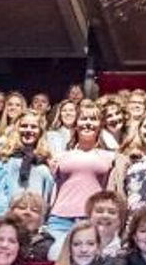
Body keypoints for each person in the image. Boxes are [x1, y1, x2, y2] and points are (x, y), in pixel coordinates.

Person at [0, 110, 55, 238]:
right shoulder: (1, 156)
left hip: (30, 226)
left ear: (40, 131)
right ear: (16, 128)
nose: (28, 130)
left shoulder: (45, 160)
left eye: (33, 127)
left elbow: (48, 197)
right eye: (24, 126)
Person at [49, 102, 115, 245]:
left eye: (93, 119)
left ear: (100, 125)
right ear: (76, 124)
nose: (88, 123)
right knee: (56, 259)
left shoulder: (111, 157)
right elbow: (54, 188)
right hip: (60, 219)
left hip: (93, 218)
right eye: (83, 119)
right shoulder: (61, 156)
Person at [8, 191, 56, 263]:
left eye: (34, 210)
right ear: (10, 212)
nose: (27, 212)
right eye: (22, 207)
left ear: (41, 220)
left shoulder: (47, 245)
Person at [87, 190, 127, 257]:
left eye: (112, 212)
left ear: (120, 220)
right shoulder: (77, 246)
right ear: (89, 216)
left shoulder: (125, 251)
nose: (105, 216)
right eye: (99, 211)